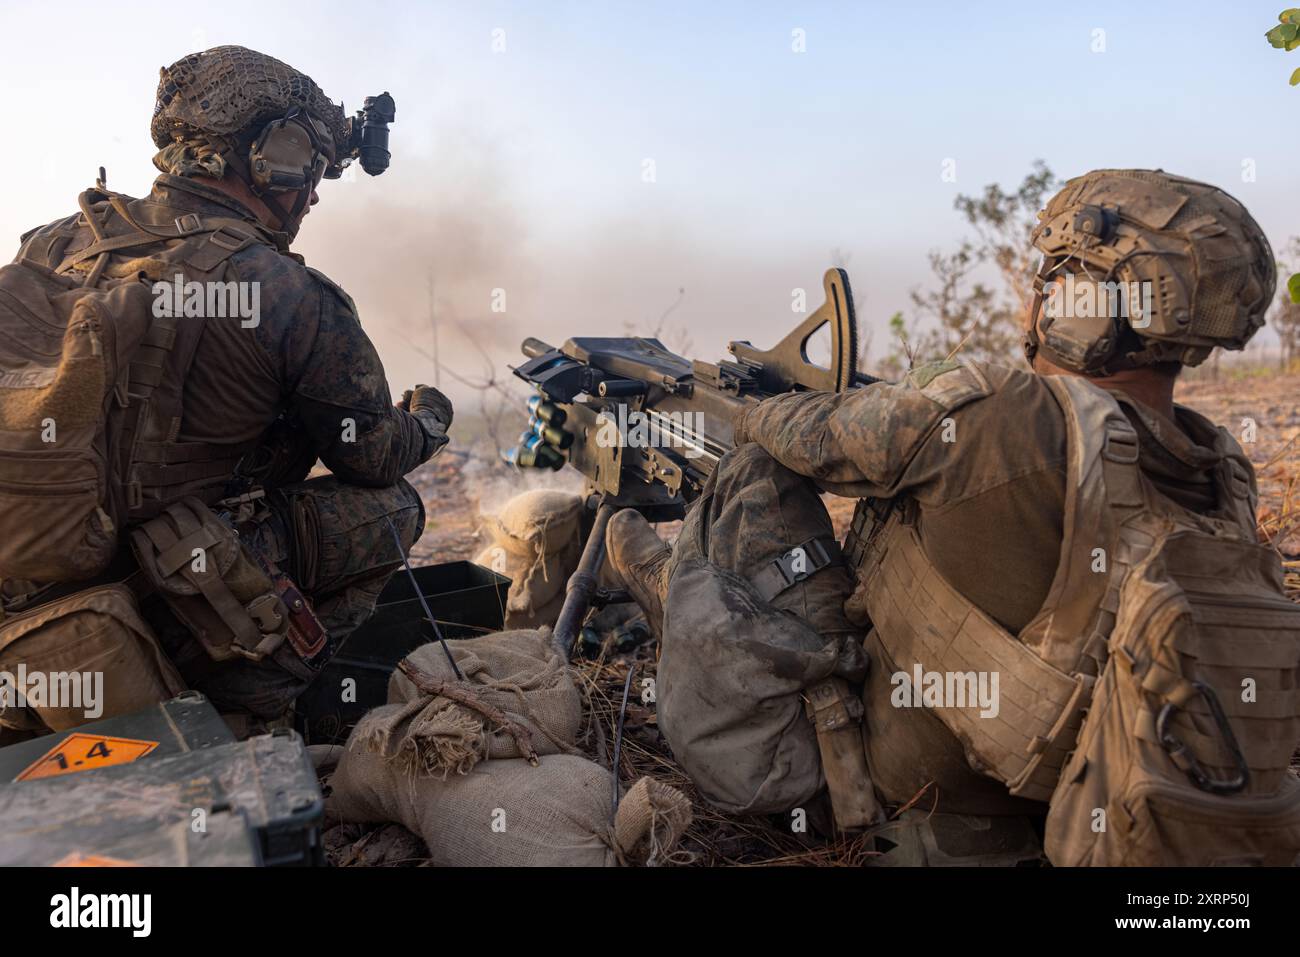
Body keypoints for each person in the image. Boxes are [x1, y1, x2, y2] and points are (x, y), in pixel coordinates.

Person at [606, 169, 1300, 864]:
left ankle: (682, 599)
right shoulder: (1222, 471)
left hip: (900, 800)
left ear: (1096, 302)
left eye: (1058, 276)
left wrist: (757, 408)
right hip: (1083, 808)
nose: (1041, 295)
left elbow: (802, 436)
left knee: (753, 471)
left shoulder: (1009, 414)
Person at [0, 46, 451, 736]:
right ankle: (253, 699)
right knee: (394, 508)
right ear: (277, 156)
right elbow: (374, 455)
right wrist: (428, 421)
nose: (313, 196)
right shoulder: (284, 290)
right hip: (166, 583)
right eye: (314, 171)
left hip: (29, 573)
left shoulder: (56, 242)